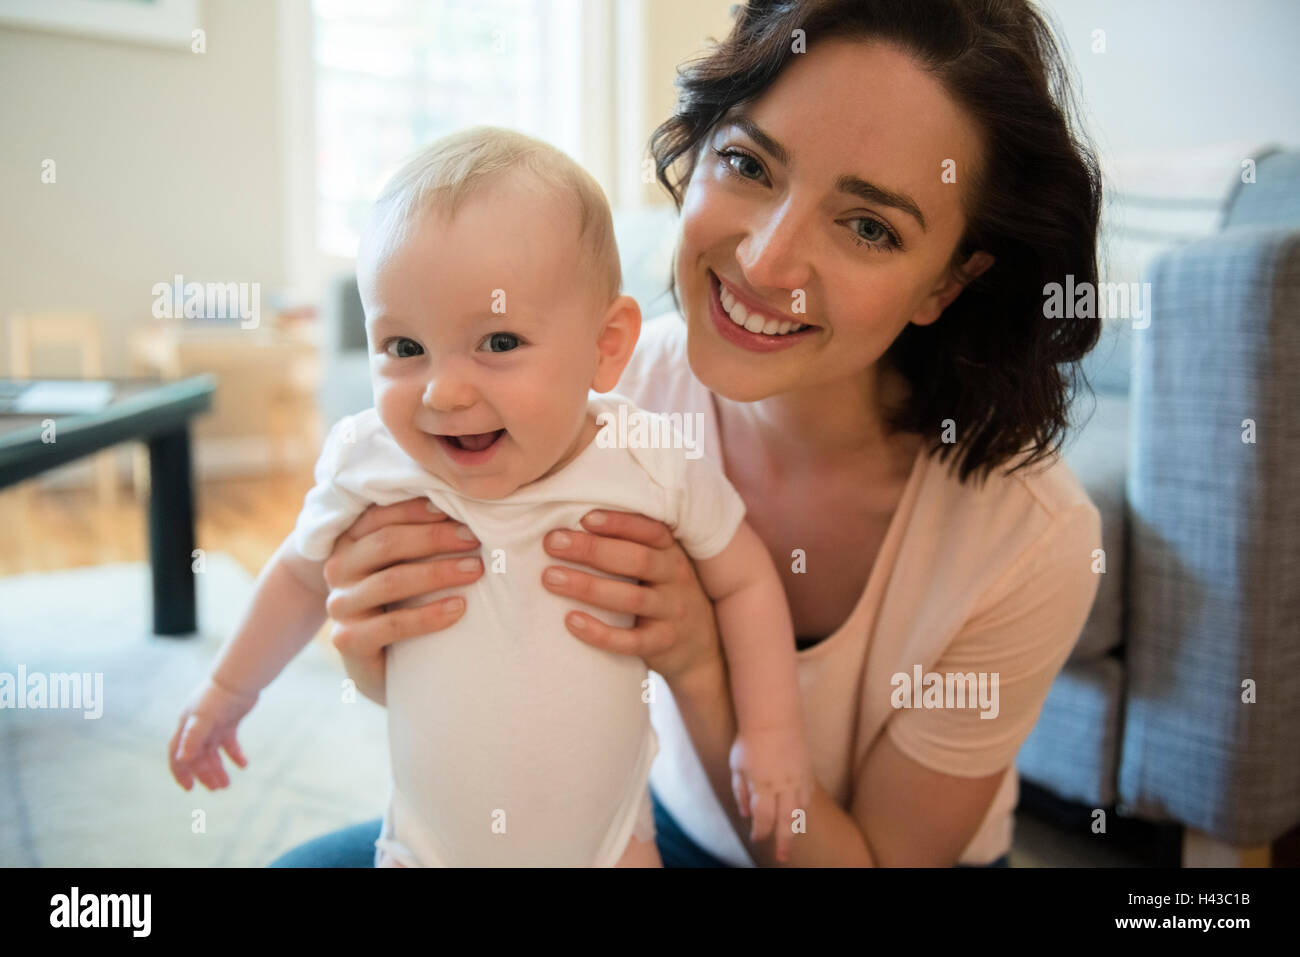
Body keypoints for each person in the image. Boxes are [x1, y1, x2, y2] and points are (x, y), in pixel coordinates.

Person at [273, 0, 1104, 868]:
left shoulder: (1030, 537)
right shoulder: (585, 392)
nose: (766, 262)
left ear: (946, 284)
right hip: (642, 825)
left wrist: (701, 665)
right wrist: (380, 646)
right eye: (748, 162)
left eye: (868, 227)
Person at [169, 126, 814, 867]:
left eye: (499, 343)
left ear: (607, 347)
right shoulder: (372, 459)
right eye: (404, 348)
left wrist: (770, 732)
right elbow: (297, 573)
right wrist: (227, 689)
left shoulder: (649, 458)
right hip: (430, 847)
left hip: (611, 845)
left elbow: (745, 580)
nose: (443, 391)